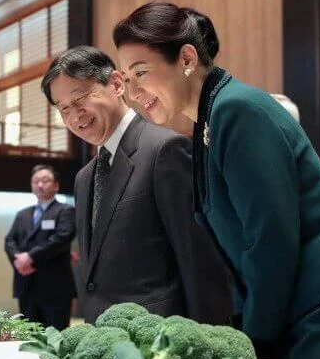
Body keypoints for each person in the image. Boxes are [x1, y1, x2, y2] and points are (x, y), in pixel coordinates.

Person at [113, 2, 320, 359]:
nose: (133, 91)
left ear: (186, 58)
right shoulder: (210, 120)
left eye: (141, 72)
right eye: (126, 79)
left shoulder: (236, 110)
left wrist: (257, 346)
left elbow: (270, 240)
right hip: (306, 304)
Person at [41, 45, 233, 324]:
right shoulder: (84, 178)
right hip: (102, 341)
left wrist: (208, 345)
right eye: (64, 108)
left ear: (117, 84)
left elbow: (200, 263)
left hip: (158, 342)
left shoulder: (164, 150)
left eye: (80, 96)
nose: (75, 115)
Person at [4, 164, 76, 330]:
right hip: (26, 285)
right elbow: (9, 240)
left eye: (45, 180)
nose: (40, 185)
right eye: (36, 181)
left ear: (56, 185)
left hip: (55, 287)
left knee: (55, 340)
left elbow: (61, 238)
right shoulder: (23, 214)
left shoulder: (65, 210)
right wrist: (18, 260)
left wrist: (30, 257)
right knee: (28, 339)